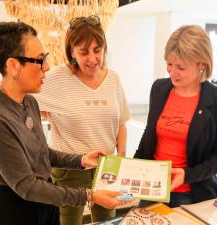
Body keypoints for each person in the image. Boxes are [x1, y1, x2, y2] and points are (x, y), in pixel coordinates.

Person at [0, 21, 129, 225]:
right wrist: (89, 196)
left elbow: (42, 152)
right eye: (39, 60)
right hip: (14, 211)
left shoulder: (28, 101)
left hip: (44, 204)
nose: (46, 67)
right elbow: (26, 186)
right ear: (13, 66)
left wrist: (81, 160)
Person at [33, 15, 131, 225]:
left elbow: (121, 121)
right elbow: (26, 100)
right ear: (71, 52)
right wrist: (47, 113)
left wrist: (120, 156)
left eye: (98, 50)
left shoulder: (113, 79)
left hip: (107, 167)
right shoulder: (57, 77)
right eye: (83, 52)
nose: (92, 58)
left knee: (107, 221)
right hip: (70, 170)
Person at [134, 25, 217, 208]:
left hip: (190, 195)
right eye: (169, 64)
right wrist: (131, 169)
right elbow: (149, 135)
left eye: (180, 67)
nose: (172, 72)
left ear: (201, 64)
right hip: (152, 189)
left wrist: (187, 175)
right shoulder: (159, 89)